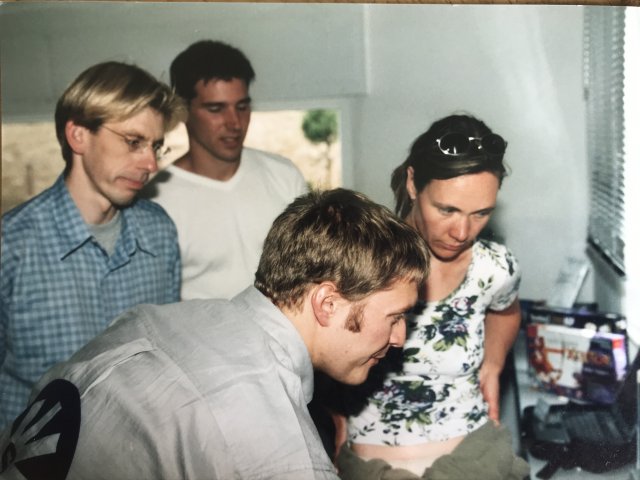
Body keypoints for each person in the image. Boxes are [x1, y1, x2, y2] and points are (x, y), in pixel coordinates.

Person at [0, 188, 430, 480]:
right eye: (395, 316)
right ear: (328, 303)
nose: (399, 337)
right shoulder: (276, 449)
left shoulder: (152, 320)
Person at [339, 114, 529, 479]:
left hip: (474, 458)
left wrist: (493, 365)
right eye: (447, 210)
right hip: (377, 466)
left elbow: (505, 311)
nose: (462, 231)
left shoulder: (494, 268)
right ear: (413, 183)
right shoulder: (361, 259)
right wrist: (333, 418)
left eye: (481, 213)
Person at [0, 62, 185, 429]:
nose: (150, 163)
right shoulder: (12, 246)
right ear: (78, 135)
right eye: (133, 142)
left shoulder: (159, 232)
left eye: (155, 146)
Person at [143, 40, 308, 300]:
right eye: (216, 109)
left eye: (242, 107)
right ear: (183, 111)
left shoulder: (284, 175)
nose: (234, 123)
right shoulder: (155, 200)